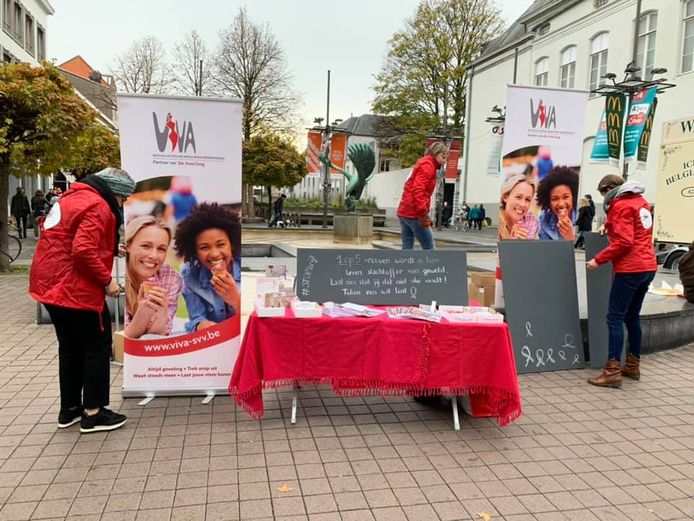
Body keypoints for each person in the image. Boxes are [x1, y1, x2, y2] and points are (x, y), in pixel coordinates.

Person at [28, 167, 135, 433]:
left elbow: (68, 239)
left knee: (70, 347)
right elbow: (83, 250)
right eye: (123, 199)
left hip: (49, 286)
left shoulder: (71, 198)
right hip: (76, 290)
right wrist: (106, 281)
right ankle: (94, 412)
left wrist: (111, 249)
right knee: (96, 346)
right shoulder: (99, 205)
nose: (122, 204)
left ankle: (70, 410)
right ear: (114, 192)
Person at [586, 174, 657, 388]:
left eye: (603, 194)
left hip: (630, 269)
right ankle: (633, 365)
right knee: (632, 316)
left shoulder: (620, 204)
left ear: (608, 189)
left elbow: (625, 242)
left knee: (614, 318)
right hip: (648, 267)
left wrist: (598, 260)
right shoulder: (641, 202)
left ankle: (612, 371)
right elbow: (634, 229)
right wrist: (608, 226)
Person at [174, 203, 241, 332]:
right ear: (194, 252)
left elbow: (255, 320)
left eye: (220, 244)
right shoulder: (189, 275)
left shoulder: (246, 266)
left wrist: (236, 300)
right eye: (204, 247)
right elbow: (197, 318)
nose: (215, 254)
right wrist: (201, 325)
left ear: (231, 244)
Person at [124, 216, 182, 339]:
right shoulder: (118, 277)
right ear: (128, 245)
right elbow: (122, 341)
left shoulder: (169, 276)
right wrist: (142, 313)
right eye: (146, 246)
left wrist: (162, 311)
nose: (154, 255)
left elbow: (158, 336)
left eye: (161, 249)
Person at [396, 141, 447, 250]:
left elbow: (412, 187)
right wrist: (423, 213)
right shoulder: (429, 166)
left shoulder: (422, 162)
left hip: (404, 210)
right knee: (429, 246)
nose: (444, 161)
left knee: (407, 246)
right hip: (415, 213)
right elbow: (418, 189)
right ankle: (432, 267)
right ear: (436, 153)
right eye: (443, 157)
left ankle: (404, 267)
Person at [537, 166, 579, 241]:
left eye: (565, 197)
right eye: (555, 199)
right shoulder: (543, 220)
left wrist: (571, 238)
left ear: (573, 197)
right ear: (548, 202)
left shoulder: (583, 218)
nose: (561, 204)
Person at [498, 175, 539, 240]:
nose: (522, 204)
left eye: (527, 199)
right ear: (505, 197)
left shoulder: (530, 221)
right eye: (518, 197)